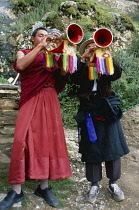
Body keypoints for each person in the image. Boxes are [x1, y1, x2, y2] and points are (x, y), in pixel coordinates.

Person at [0, 27, 72, 209]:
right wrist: (40, 47)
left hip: (49, 98)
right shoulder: (23, 52)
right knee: (20, 140)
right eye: (40, 35)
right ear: (33, 38)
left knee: (47, 141)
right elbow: (22, 66)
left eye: (47, 36)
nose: (45, 38)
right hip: (31, 98)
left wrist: (64, 49)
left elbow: (63, 73)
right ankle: (16, 190)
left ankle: (44, 187)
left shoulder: (53, 56)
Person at [70, 38, 130, 203]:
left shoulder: (105, 62)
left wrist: (107, 55)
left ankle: (113, 183)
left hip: (107, 107)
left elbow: (116, 74)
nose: (93, 49)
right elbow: (73, 79)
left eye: (95, 47)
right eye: (90, 47)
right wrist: (83, 58)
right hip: (88, 108)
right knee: (91, 147)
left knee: (112, 145)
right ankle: (94, 184)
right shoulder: (81, 64)